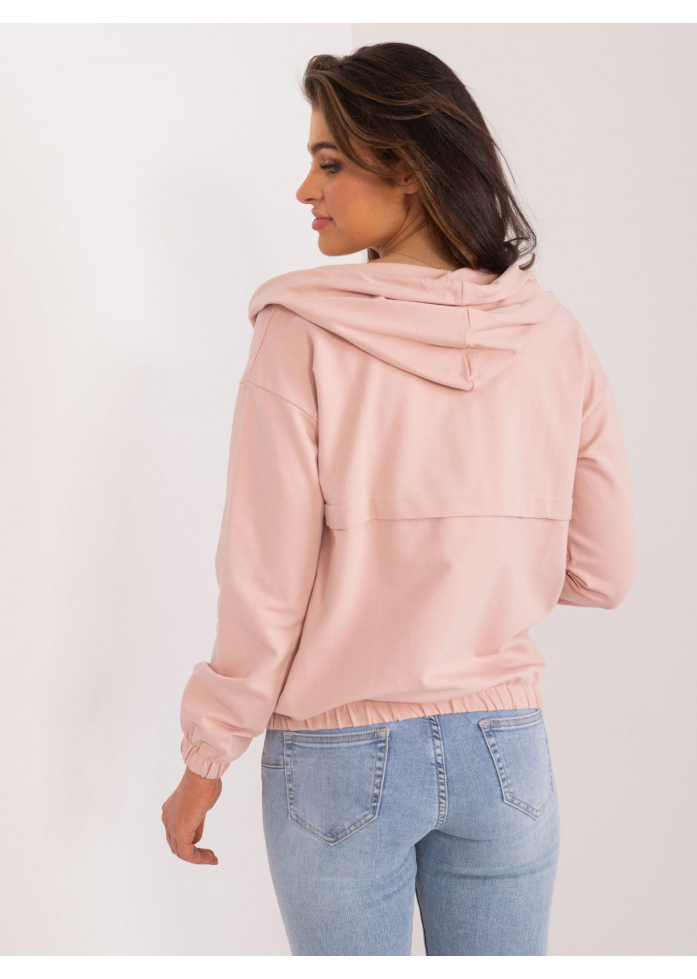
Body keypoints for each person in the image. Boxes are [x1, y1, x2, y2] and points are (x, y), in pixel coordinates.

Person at [161, 41, 638, 955]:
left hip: (339, 755)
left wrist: (205, 756)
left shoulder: (302, 334)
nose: (306, 189)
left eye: (330, 162)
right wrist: (480, 572)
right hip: (506, 751)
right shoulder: (554, 336)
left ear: (409, 169)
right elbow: (605, 571)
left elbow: (264, 586)